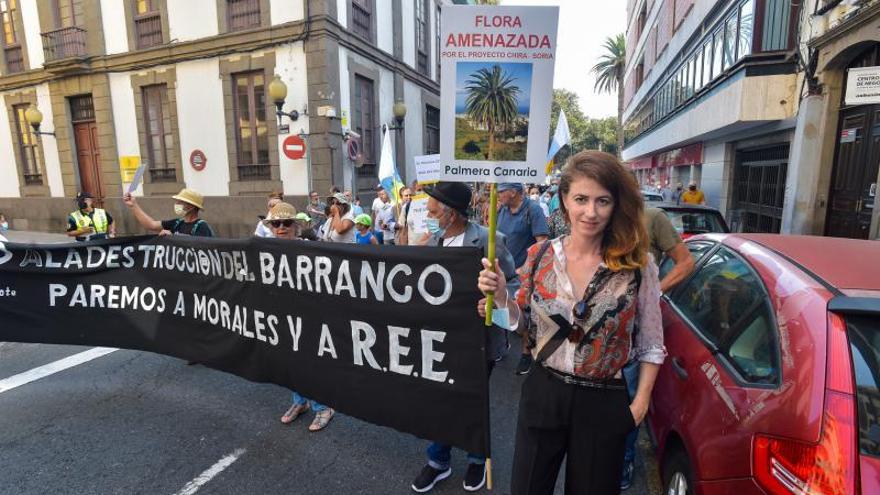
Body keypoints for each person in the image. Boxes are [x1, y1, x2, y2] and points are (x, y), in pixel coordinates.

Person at [477, 151, 665, 494]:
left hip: (603, 398)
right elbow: (522, 325)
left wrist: (640, 405)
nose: (590, 212)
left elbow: (652, 343)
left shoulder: (639, 266)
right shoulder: (540, 257)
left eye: (602, 201)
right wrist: (502, 295)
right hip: (544, 389)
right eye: (581, 199)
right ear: (564, 200)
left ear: (616, 204)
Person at [411, 182, 516, 494]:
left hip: (478, 342)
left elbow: (516, 285)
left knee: (472, 402)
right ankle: (437, 461)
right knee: (439, 400)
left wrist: (496, 302)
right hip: (440, 340)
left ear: (451, 213)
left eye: (431, 212)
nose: (427, 218)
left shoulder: (488, 240)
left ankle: (475, 459)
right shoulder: (433, 242)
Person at [619, 206, 695, 490]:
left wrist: (654, 291)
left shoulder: (651, 218)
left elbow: (685, 262)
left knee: (629, 401)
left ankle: (624, 459)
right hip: (601, 338)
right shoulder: (599, 216)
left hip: (637, 333)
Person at [269, 202, 336, 432]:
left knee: (309, 363)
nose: (280, 227)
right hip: (281, 317)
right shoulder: (264, 250)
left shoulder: (310, 250)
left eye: (286, 223)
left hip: (308, 317)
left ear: (295, 226)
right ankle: (300, 402)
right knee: (290, 363)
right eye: (276, 223)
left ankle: (323, 407)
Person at [496, 182, 549, 375]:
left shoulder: (533, 210)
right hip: (502, 273)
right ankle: (501, 346)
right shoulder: (501, 210)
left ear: (514, 192)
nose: (498, 194)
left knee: (523, 317)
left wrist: (524, 268)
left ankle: (526, 353)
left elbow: (542, 244)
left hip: (523, 276)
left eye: (502, 191)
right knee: (500, 310)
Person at [123, 188, 214, 237]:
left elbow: (202, 247)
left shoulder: (202, 227)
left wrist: (174, 238)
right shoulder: (176, 223)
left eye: (180, 202)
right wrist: (133, 205)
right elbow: (150, 225)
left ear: (191, 206)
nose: (176, 204)